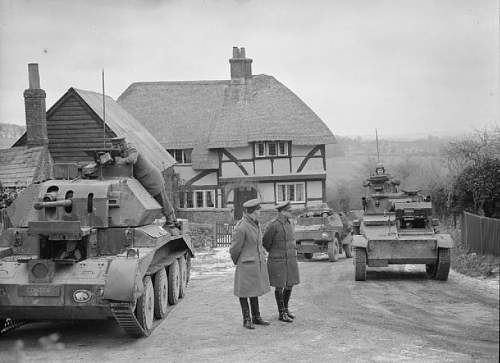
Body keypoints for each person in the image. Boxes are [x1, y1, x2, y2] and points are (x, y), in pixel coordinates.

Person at [111, 137, 178, 232]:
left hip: (151, 178)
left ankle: (171, 223)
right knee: (158, 200)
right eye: (115, 146)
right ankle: (173, 221)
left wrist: (121, 161)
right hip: (144, 180)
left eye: (118, 146)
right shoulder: (122, 152)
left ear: (122, 144)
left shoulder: (131, 149)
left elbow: (133, 159)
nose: (116, 148)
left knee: (162, 200)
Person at [229, 199, 271, 329]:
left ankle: (256, 317)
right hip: (246, 264)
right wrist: (239, 261)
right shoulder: (241, 227)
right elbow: (234, 249)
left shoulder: (255, 224)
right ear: (253, 211)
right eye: (259, 210)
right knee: (244, 292)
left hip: (256, 264)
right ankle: (246, 319)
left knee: (254, 290)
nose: (260, 212)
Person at [263, 201, 300, 323]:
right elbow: (266, 242)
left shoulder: (290, 224)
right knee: (279, 286)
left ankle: (286, 309)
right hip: (277, 260)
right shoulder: (274, 225)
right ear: (282, 212)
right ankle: (281, 313)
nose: (291, 213)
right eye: (289, 211)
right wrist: (275, 252)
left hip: (290, 259)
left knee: (290, 284)